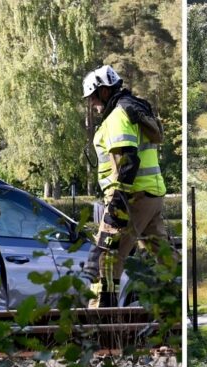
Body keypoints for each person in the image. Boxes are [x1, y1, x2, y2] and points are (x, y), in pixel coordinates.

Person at [80, 65, 167, 308]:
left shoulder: (118, 117)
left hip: (131, 198)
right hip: (152, 195)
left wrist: (116, 206)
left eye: (93, 98)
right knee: (163, 258)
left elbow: (128, 162)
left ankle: (102, 327)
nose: (92, 105)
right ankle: (172, 319)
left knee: (104, 260)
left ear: (104, 91)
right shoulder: (136, 111)